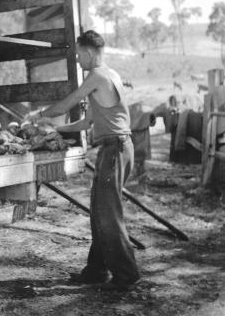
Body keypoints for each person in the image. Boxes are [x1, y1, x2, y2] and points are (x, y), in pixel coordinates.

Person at [26, 30, 140, 291]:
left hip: (115, 149)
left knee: (108, 216)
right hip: (116, 148)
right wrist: (57, 130)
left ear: (89, 53)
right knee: (100, 213)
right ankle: (96, 272)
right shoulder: (112, 75)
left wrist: (41, 115)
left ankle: (127, 276)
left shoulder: (96, 75)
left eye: (79, 54)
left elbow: (68, 104)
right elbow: (88, 122)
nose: (78, 60)